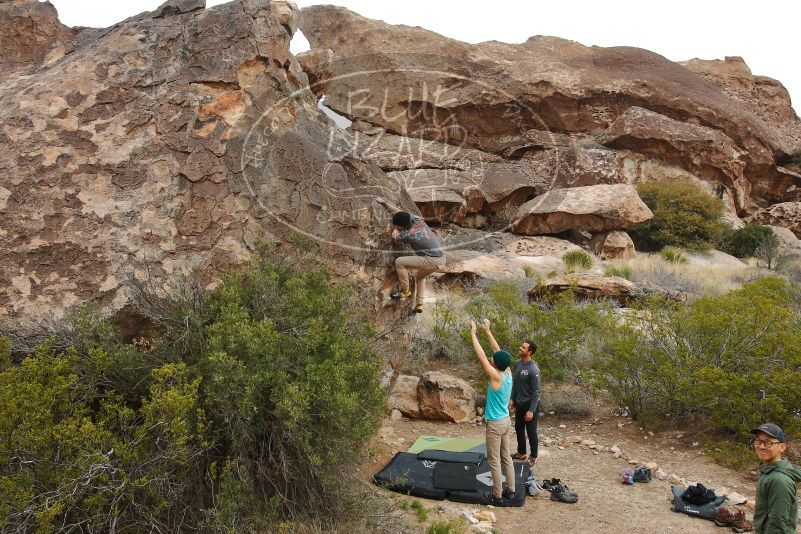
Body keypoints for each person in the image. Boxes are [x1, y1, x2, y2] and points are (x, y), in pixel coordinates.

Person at [470, 319, 515, 505]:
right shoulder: (507, 372)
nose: (491, 357)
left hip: (496, 424)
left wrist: (473, 334)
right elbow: (498, 353)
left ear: (495, 365)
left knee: (494, 460)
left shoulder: (496, 377)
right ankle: (511, 490)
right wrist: (488, 331)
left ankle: (497, 495)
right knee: (506, 457)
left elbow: (481, 356)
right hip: (505, 421)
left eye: (492, 360)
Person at [375, 197, 445, 313]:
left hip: (432, 260)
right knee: (420, 277)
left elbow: (395, 236)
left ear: (401, 226)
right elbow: (399, 212)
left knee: (400, 262)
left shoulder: (408, 234)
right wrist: (385, 203)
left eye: (397, 225)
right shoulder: (417, 220)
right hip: (441, 259)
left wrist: (395, 230)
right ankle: (419, 304)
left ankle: (405, 291)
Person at [750, 423, 801, 534]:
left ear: (782, 447)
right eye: (758, 441)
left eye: (768, 442)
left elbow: (776, 525)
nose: (762, 446)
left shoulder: (779, 480)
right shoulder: (768, 470)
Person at [510, 339, 541, 464]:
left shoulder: (534, 369)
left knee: (531, 431)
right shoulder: (517, 364)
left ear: (529, 352)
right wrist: (513, 399)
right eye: (521, 346)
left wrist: (531, 410)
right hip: (520, 403)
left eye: (523, 347)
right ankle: (522, 453)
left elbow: (536, 392)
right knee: (518, 428)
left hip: (530, 405)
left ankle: (533, 456)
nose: (520, 348)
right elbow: (516, 384)